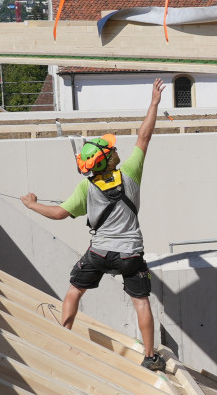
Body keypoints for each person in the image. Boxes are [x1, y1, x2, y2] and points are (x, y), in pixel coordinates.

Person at [21, 77, 167, 371]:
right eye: (111, 150)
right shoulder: (130, 174)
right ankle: (150, 357)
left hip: (99, 253)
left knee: (75, 291)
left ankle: (64, 340)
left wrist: (31, 204)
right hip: (129, 255)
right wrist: (153, 103)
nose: (115, 151)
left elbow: (59, 214)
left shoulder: (85, 188)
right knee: (140, 302)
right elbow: (144, 136)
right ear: (109, 159)